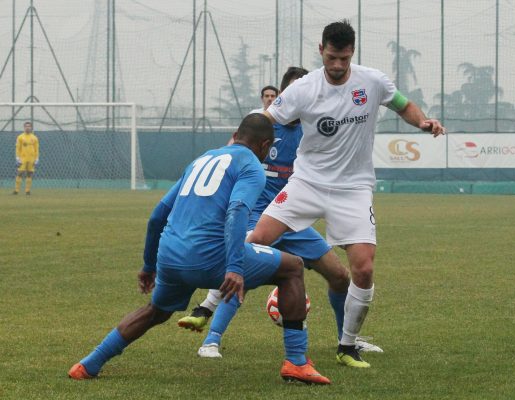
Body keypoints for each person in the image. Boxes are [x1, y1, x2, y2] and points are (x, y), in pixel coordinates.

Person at [68, 114, 330, 385]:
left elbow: (158, 215)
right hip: (209, 257)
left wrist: (149, 266)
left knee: (155, 311)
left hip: (170, 255)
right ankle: (297, 362)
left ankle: (89, 364)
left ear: (236, 134)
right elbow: (238, 209)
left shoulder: (201, 159)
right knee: (292, 267)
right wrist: (234, 267)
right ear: (265, 145)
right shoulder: (251, 165)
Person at [246, 20, 446, 369]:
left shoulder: (372, 81)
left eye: (344, 58)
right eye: (332, 58)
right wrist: (240, 143)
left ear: (352, 52)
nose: (337, 65)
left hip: (353, 189)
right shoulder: (303, 88)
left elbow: (403, 104)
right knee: (257, 238)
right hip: (306, 183)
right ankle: (209, 303)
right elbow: (267, 119)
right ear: (321, 50)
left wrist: (423, 122)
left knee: (363, 269)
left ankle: (347, 346)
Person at [177, 67, 382, 359]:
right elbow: (231, 155)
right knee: (242, 271)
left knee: (339, 276)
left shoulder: (312, 130)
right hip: (260, 217)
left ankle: (348, 341)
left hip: (294, 219)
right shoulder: (263, 130)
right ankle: (210, 336)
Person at [13, 121, 39, 195]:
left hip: (31, 158)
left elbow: (36, 149)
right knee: (20, 173)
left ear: (31, 128)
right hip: (23, 158)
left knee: (29, 174)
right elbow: (18, 148)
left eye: (29, 126)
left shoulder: (34, 138)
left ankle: (27, 191)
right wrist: (17, 158)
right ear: (24, 128)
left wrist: (37, 158)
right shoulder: (20, 137)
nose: (27, 128)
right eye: (26, 126)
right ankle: (16, 191)